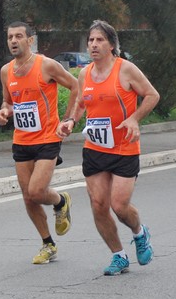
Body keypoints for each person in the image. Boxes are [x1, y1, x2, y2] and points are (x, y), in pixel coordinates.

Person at [57, 20, 160, 276]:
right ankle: (118, 256)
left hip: (124, 147)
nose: (93, 44)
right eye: (91, 40)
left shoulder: (125, 70)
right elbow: (82, 102)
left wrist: (134, 118)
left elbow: (152, 95)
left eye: (99, 40)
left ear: (112, 45)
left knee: (120, 205)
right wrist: (70, 120)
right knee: (98, 205)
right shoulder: (85, 73)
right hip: (96, 147)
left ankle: (139, 232)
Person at [0, 21, 79, 264]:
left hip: (47, 137)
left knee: (36, 191)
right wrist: (4, 112)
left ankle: (61, 201)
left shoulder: (46, 65)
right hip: (22, 139)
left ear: (30, 40)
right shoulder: (6, 71)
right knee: (27, 197)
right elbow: (8, 102)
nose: (13, 41)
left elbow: (75, 86)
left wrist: (68, 119)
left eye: (19, 36)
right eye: (10, 36)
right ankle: (48, 244)